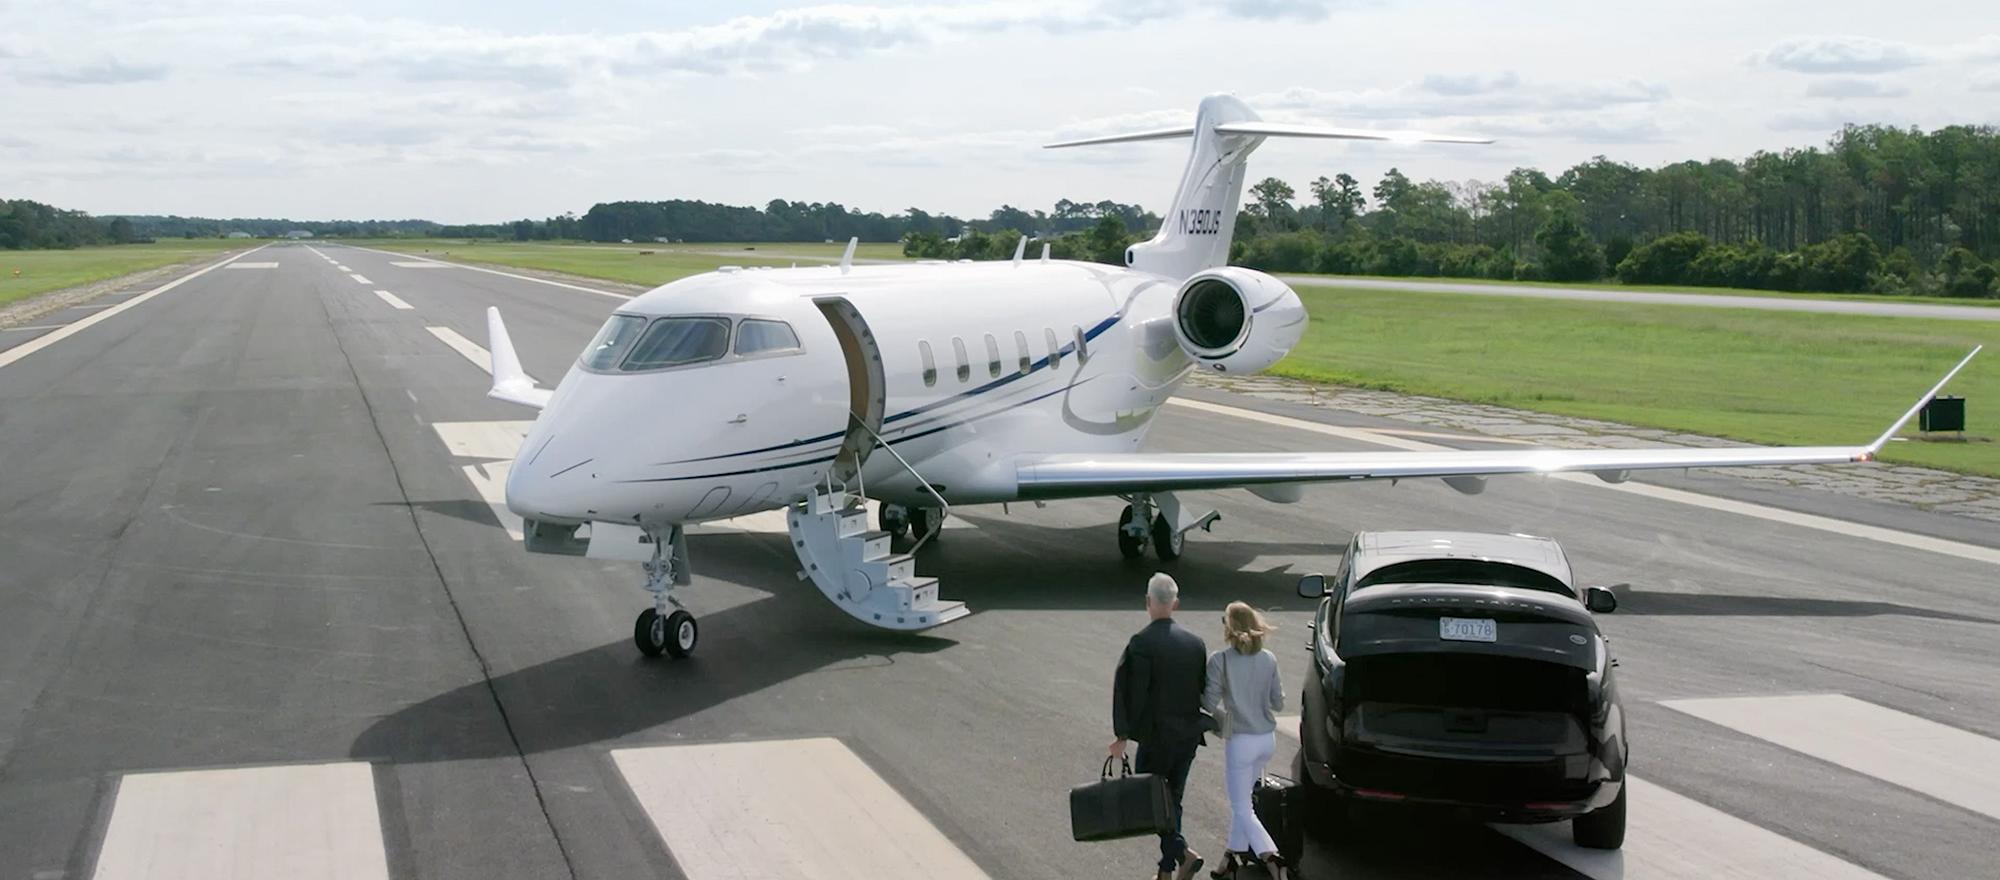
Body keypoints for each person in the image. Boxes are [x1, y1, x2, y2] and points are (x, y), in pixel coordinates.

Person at [1110, 573, 1210, 880]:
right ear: (1175, 604)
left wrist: (1122, 735)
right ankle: (1167, 870)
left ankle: (1183, 853)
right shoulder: (1196, 644)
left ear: (1148, 602)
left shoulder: (1141, 643)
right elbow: (1201, 688)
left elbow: (1130, 692)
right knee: (1172, 800)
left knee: (1151, 801)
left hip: (1157, 738)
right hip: (1188, 736)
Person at [1201, 602, 1288, 880]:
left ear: (1229, 628)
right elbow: (1278, 702)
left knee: (1241, 807)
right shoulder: (1269, 659)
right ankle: (1229, 860)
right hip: (1266, 740)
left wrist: (1221, 710)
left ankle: (1272, 856)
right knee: (1244, 804)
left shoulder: (1220, 660)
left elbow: (1209, 702)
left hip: (1241, 741)